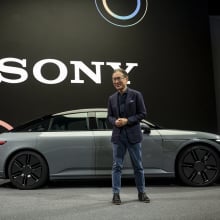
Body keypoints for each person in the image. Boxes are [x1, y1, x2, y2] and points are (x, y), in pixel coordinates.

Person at [107, 68, 150, 205]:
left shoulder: (136, 95)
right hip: (118, 137)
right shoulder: (112, 98)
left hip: (133, 136)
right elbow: (109, 116)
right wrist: (115, 121)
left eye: (119, 78)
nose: (116, 81)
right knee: (116, 167)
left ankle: (142, 193)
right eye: (114, 79)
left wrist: (127, 120)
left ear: (126, 79)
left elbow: (142, 114)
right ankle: (116, 194)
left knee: (138, 166)